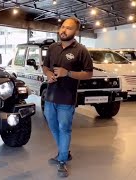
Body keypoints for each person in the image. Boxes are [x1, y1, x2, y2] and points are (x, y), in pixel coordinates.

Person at [42, 17, 93, 178]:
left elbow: (88, 74)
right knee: (53, 126)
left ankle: (62, 160)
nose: (64, 30)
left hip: (67, 98)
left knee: (64, 129)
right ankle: (65, 152)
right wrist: (49, 73)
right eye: (63, 27)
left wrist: (68, 73)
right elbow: (45, 66)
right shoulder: (52, 47)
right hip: (50, 97)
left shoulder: (81, 50)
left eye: (69, 28)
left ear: (76, 31)